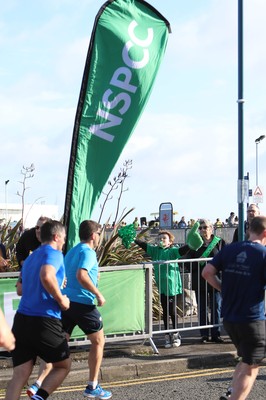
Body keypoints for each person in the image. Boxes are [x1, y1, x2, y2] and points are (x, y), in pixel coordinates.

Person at [5, 220, 71, 400]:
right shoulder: (55, 254)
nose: (64, 241)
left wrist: (48, 286)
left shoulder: (30, 258)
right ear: (56, 237)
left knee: (19, 376)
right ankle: (39, 397)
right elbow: (46, 275)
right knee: (63, 365)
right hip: (44, 320)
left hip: (22, 320)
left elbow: (21, 289)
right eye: (63, 238)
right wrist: (61, 299)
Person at [202, 215, 266, 400]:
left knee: (246, 359)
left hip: (229, 318)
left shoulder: (230, 249)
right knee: (252, 366)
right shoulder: (263, 254)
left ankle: (231, 393)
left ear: (248, 230)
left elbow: (207, 272)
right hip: (252, 319)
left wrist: (223, 289)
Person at [61, 220, 112, 400]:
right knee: (98, 341)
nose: (100, 237)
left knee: (59, 344)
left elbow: (74, 274)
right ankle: (92, 385)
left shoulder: (73, 251)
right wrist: (98, 294)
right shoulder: (88, 252)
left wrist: (93, 276)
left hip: (66, 302)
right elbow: (81, 275)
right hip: (83, 304)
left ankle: (40, 384)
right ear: (93, 235)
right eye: (99, 233)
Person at [134, 223, 203, 348]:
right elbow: (143, 245)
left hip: (173, 286)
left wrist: (191, 244)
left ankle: (176, 335)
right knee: (165, 311)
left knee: (172, 311)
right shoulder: (155, 251)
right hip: (162, 287)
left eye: (164, 238)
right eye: (159, 238)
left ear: (170, 241)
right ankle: (167, 336)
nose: (161, 240)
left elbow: (183, 250)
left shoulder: (172, 251)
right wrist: (133, 238)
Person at [15, 215, 53, 397]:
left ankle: (37, 385)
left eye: (42, 228)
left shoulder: (53, 253)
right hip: (41, 317)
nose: (38, 231)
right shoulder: (33, 256)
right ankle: (39, 389)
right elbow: (20, 289)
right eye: (36, 228)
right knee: (63, 363)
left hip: (28, 318)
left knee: (22, 372)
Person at [185, 219, 225, 343]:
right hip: (200, 280)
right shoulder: (196, 243)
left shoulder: (219, 242)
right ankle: (204, 334)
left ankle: (216, 334)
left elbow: (226, 257)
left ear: (211, 228)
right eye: (201, 228)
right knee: (202, 308)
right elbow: (187, 261)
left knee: (216, 307)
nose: (203, 230)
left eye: (205, 227)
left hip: (215, 279)